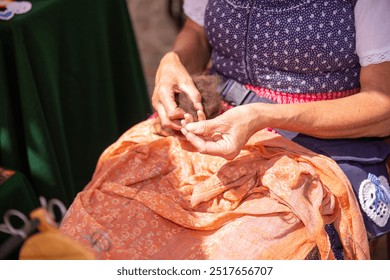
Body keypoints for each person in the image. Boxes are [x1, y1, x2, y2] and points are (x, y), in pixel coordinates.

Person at [59, 0, 390, 260]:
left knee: (235, 253)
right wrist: (175, 61)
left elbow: (381, 109)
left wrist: (261, 116)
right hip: (216, 119)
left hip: (316, 142)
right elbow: (197, 32)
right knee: (102, 222)